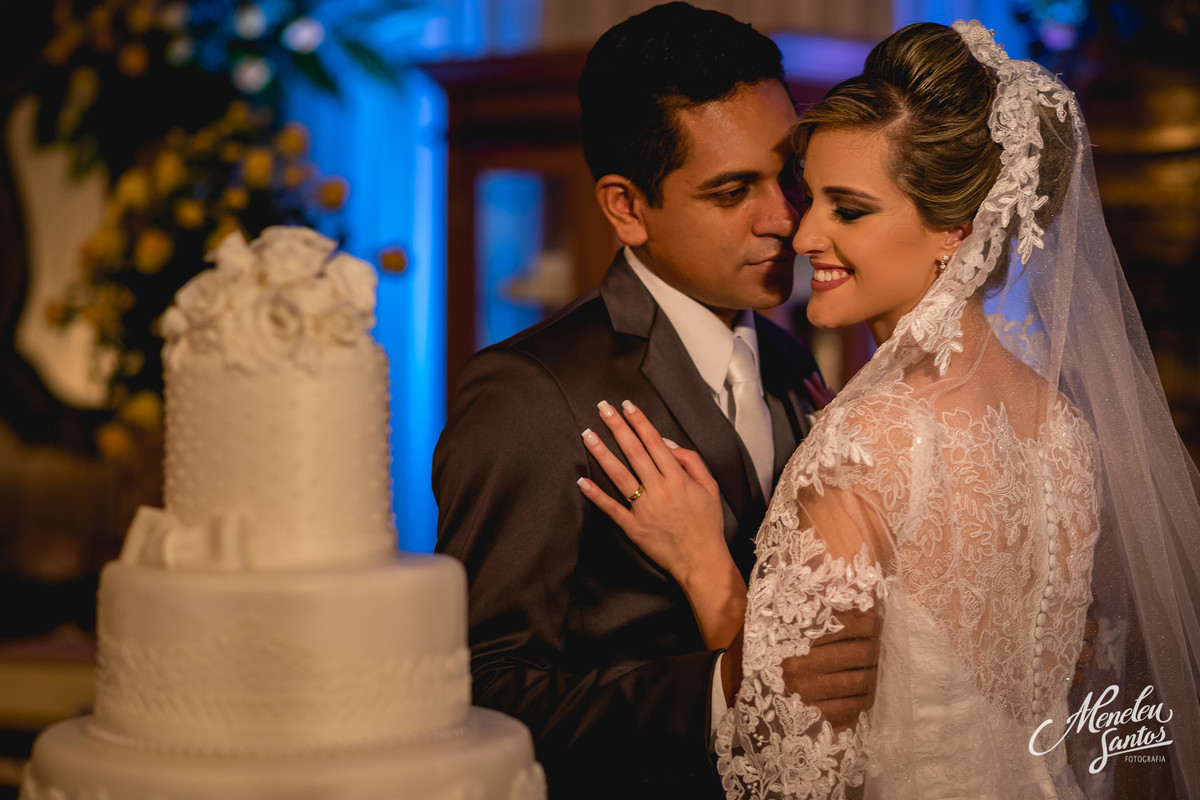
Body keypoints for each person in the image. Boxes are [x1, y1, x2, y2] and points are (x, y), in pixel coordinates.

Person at [581, 19, 1200, 799]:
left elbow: (787, 773)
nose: (801, 232)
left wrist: (710, 578)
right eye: (813, 197)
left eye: (849, 209)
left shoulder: (865, 443)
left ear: (956, 229)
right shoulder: (1060, 424)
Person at [431, 4, 884, 798]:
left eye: (786, 173)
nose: (785, 217)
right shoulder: (530, 395)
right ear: (626, 208)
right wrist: (720, 690)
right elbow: (479, 692)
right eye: (731, 190)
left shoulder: (785, 355)